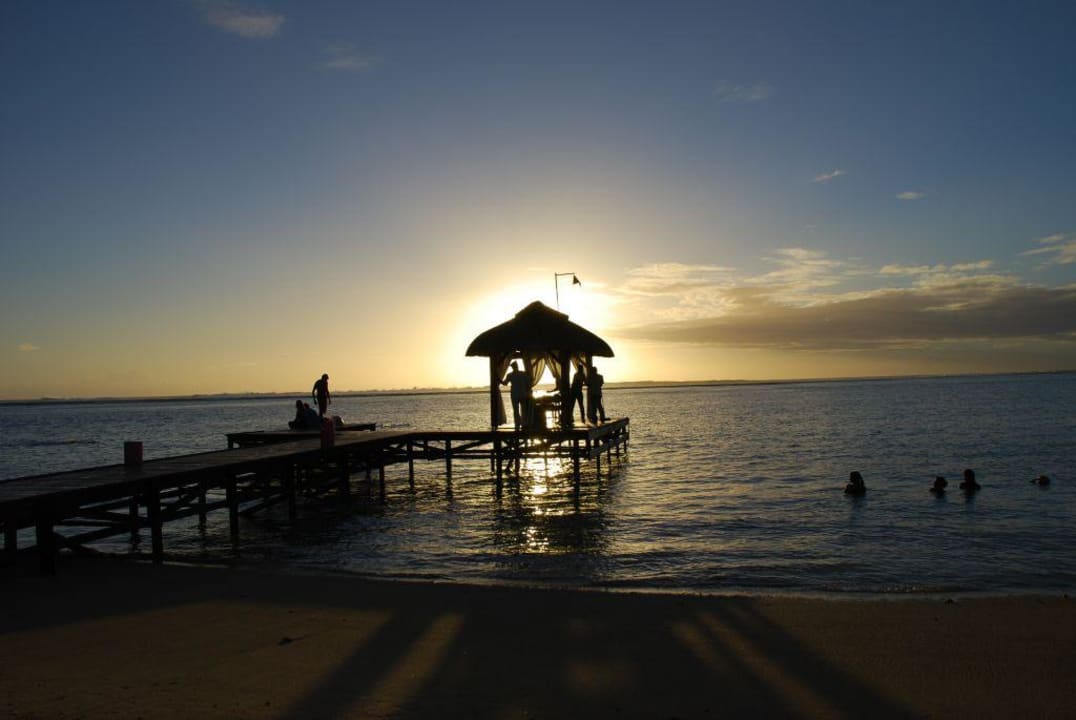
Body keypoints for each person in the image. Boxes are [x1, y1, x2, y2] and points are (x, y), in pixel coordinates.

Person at [500, 360, 532, 430]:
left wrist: (499, 380)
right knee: (523, 410)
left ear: (512, 367)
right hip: (523, 394)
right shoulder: (523, 374)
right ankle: (524, 423)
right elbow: (529, 384)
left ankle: (517, 423)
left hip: (514, 395)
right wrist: (528, 392)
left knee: (516, 410)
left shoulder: (510, 375)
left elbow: (505, 383)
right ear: (517, 366)